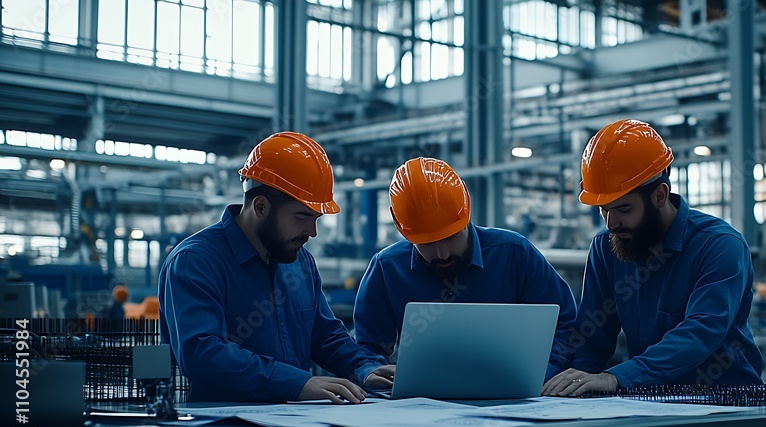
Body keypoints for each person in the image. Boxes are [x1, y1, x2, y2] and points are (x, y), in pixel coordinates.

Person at [541, 119, 765, 427]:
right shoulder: (608, 249)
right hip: (658, 426)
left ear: (659, 195)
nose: (612, 223)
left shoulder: (719, 246)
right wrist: (555, 384)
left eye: (622, 209)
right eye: (603, 211)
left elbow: (701, 333)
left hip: (727, 426)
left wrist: (618, 378)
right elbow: (592, 335)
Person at [159, 131, 393, 404]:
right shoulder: (195, 263)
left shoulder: (300, 262)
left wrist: (365, 368)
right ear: (260, 207)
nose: (312, 232)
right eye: (301, 217)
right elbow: (202, 354)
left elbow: (325, 336)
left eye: (315, 218)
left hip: (297, 425)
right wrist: (296, 383)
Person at [354, 157, 577, 389]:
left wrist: (544, 373)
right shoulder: (386, 268)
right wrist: (369, 370)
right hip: (423, 404)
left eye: (450, 237)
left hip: (512, 397)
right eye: (426, 243)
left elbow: (566, 322)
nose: (442, 254)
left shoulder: (514, 254)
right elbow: (368, 347)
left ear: (467, 212)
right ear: (401, 228)